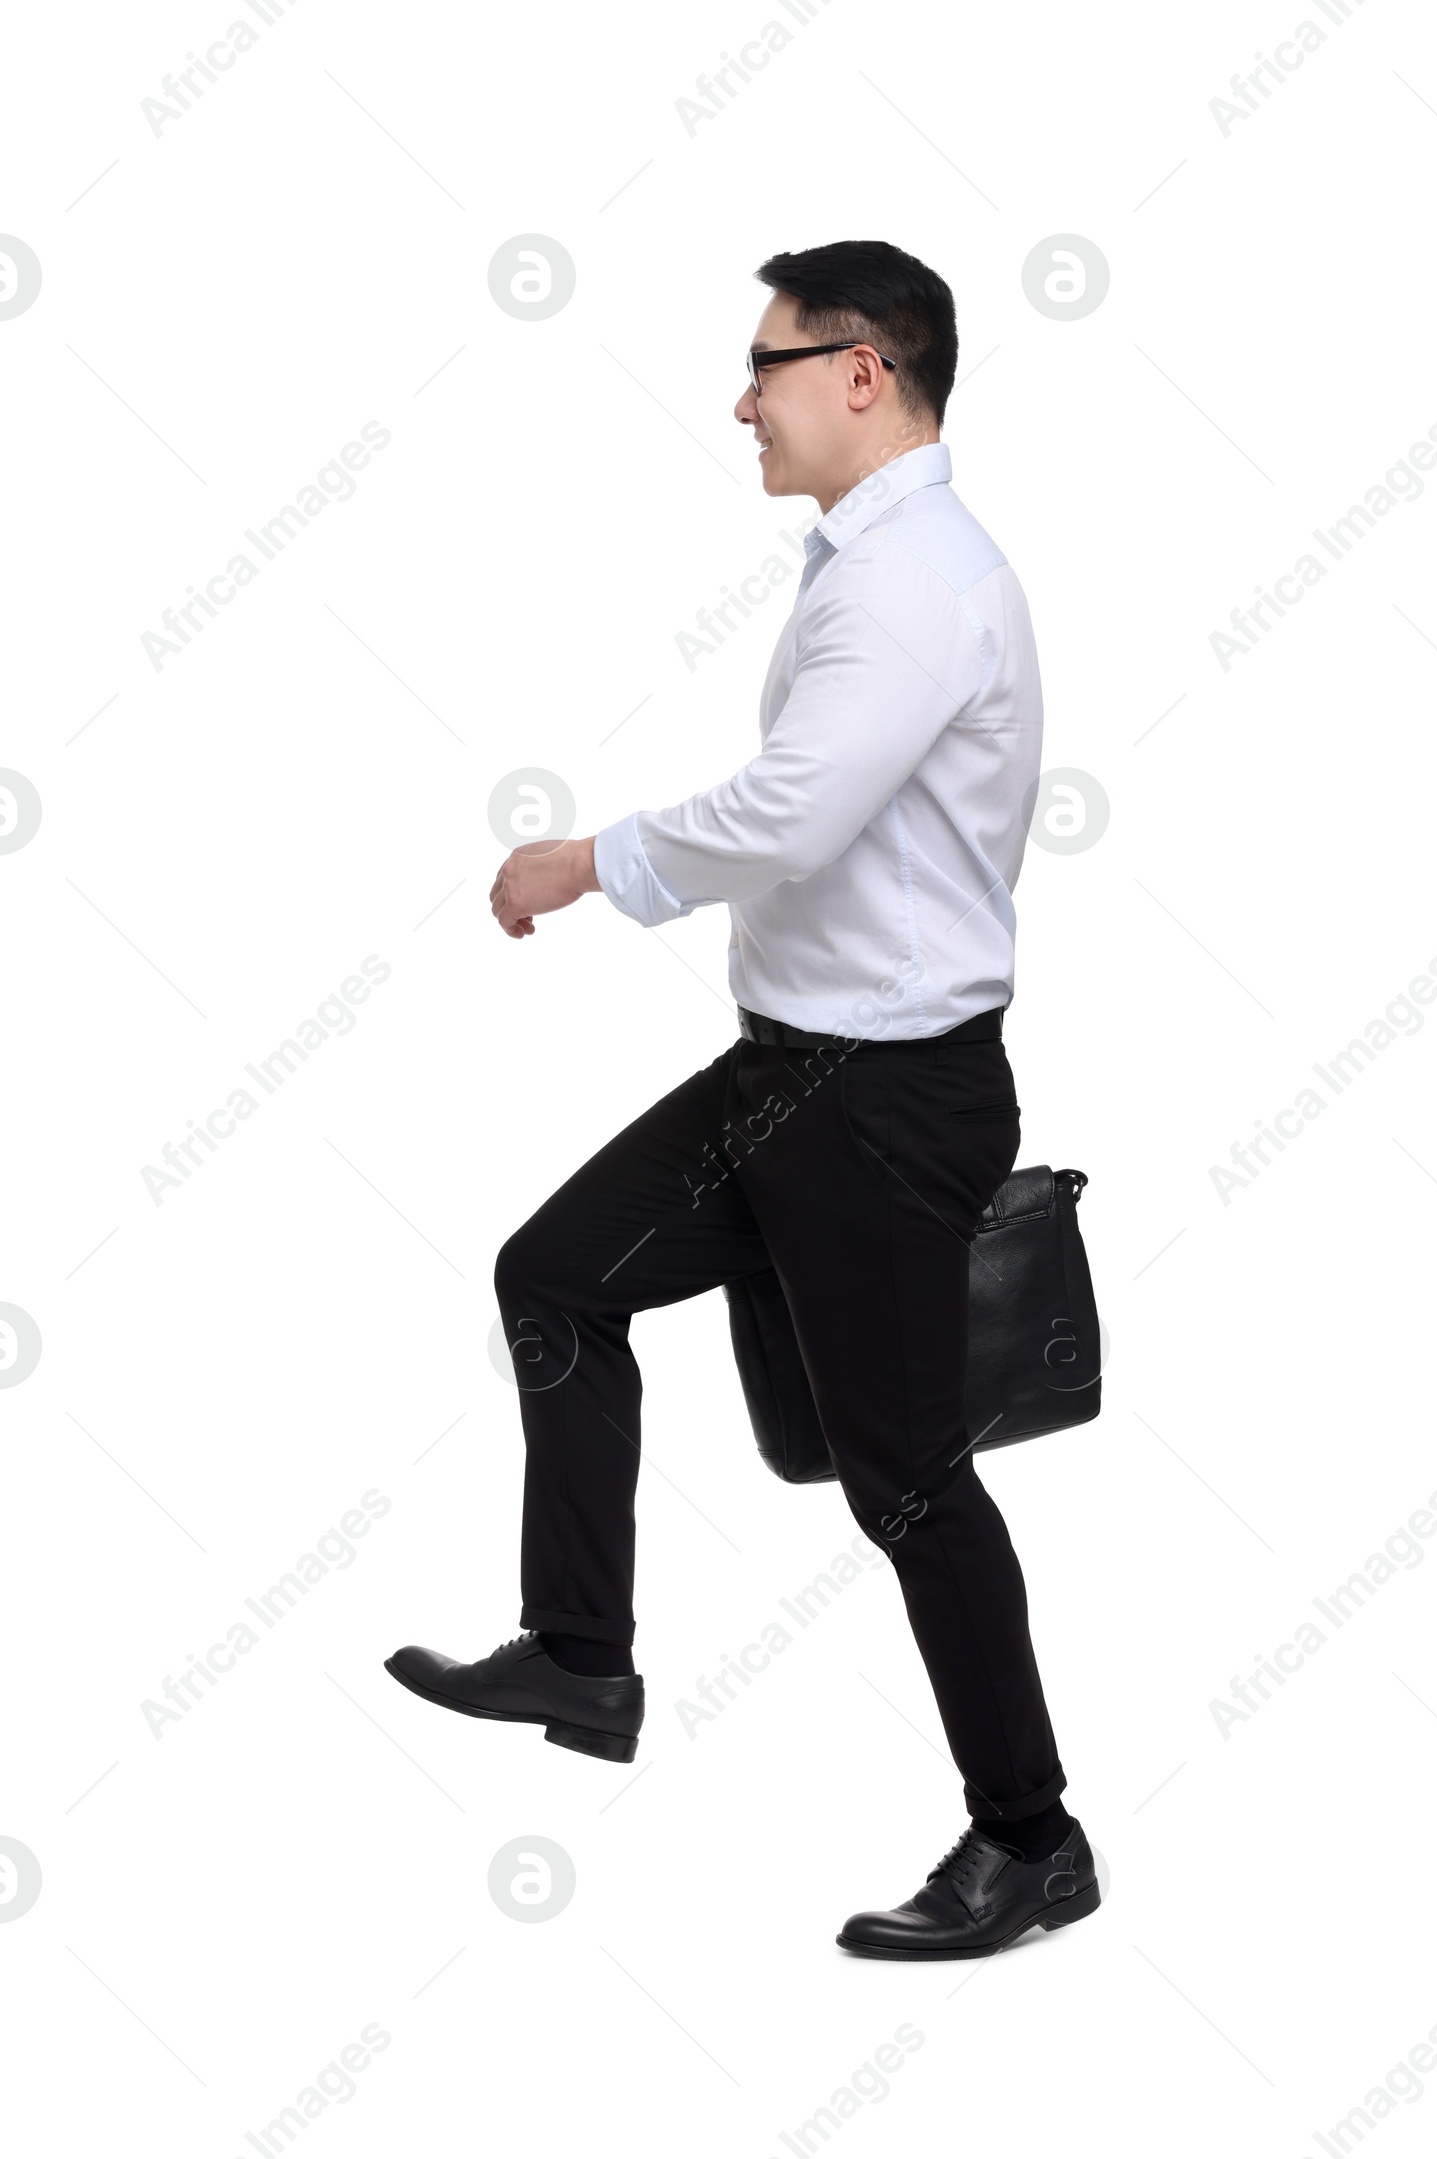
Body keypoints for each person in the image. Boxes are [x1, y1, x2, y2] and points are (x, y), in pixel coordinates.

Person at [386, 239, 1099, 1958]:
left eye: (770, 362)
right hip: (793, 1072)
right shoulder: (871, 562)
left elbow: (792, 812)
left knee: (907, 1482)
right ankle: (581, 1655)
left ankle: (1031, 1839)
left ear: (867, 370)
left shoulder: (918, 580)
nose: (742, 396)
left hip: (883, 1098)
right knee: (556, 1275)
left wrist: (585, 860)